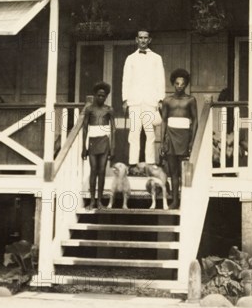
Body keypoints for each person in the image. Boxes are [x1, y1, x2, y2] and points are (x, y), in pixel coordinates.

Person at [122, 30, 165, 169]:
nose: (143, 40)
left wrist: (160, 99)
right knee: (134, 133)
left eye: (145, 38)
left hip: (150, 101)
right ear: (136, 39)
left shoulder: (157, 58)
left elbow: (160, 79)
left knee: (150, 134)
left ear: (149, 40)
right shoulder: (130, 58)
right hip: (134, 101)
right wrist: (125, 99)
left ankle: (150, 163)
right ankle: (133, 164)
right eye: (140, 38)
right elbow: (126, 80)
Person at [160, 68, 197, 209]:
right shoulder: (167, 100)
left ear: (186, 84)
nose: (180, 86)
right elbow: (163, 121)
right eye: (177, 83)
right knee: (174, 172)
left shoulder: (191, 100)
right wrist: (162, 140)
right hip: (171, 136)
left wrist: (192, 141)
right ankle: (175, 201)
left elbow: (195, 121)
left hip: (185, 137)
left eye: (182, 84)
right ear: (173, 84)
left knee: (186, 172)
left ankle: (186, 201)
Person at [81, 81, 115, 209]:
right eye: (99, 95)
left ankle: (100, 201)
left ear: (106, 97)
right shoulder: (89, 109)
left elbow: (113, 129)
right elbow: (84, 129)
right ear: (95, 95)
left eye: (103, 96)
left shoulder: (109, 109)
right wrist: (84, 148)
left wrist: (113, 148)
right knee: (93, 170)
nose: (101, 98)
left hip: (105, 142)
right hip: (92, 142)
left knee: (101, 171)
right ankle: (92, 201)